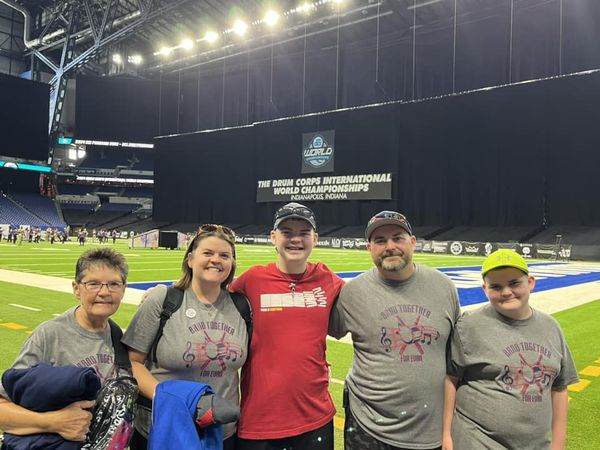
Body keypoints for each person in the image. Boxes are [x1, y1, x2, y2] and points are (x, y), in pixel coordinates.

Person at [328, 210, 461, 450]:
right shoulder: (352, 293)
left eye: (398, 238)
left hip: (430, 430)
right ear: (369, 248)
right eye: (380, 240)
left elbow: (456, 356)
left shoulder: (444, 287)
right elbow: (317, 335)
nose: (390, 246)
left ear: (413, 242)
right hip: (368, 429)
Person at [230, 202, 344, 450]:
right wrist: (165, 291)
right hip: (259, 421)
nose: (295, 239)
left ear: (315, 238)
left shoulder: (329, 280)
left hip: (315, 419)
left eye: (304, 233)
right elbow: (208, 297)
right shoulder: (252, 280)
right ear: (273, 237)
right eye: (287, 232)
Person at [122, 224, 246, 450]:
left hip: (221, 433)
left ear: (232, 264)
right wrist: (173, 400)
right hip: (163, 429)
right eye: (207, 253)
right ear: (190, 259)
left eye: (224, 255)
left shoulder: (242, 307)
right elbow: (132, 363)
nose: (215, 260)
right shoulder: (163, 300)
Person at [442, 249, 579, 450]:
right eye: (496, 286)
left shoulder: (551, 327)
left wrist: (558, 445)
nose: (506, 292)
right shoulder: (468, 325)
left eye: (514, 283)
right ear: (484, 289)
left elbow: (560, 387)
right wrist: (446, 434)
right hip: (477, 441)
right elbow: (450, 379)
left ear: (530, 282)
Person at [0, 247, 129, 443]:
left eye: (114, 284)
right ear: (76, 289)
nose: (104, 292)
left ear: (124, 289)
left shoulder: (118, 336)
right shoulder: (50, 334)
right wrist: (53, 422)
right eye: (93, 284)